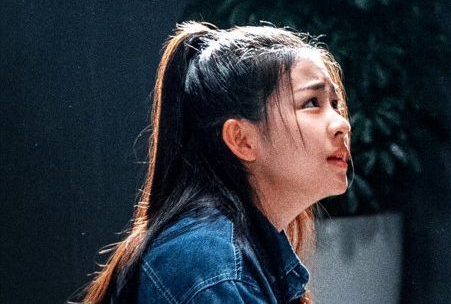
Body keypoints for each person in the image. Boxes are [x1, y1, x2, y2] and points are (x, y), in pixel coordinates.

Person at [78, 22, 352, 303]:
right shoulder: (210, 268)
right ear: (241, 140)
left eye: (335, 104)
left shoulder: (226, 254)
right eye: (311, 103)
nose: (342, 124)